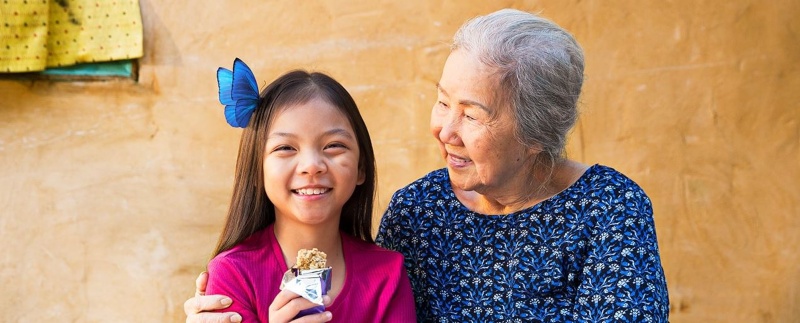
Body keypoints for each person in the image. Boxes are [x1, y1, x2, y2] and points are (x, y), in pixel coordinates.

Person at [186, 9, 669, 323]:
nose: (444, 130)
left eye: (472, 114)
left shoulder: (609, 210)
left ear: (535, 134)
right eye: (442, 102)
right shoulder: (419, 211)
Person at [198, 59, 417, 323]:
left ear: (361, 168)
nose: (312, 166)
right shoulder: (233, 274)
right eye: (286, 148)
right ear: (257, 171)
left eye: (333, 145)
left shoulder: (387, 274)